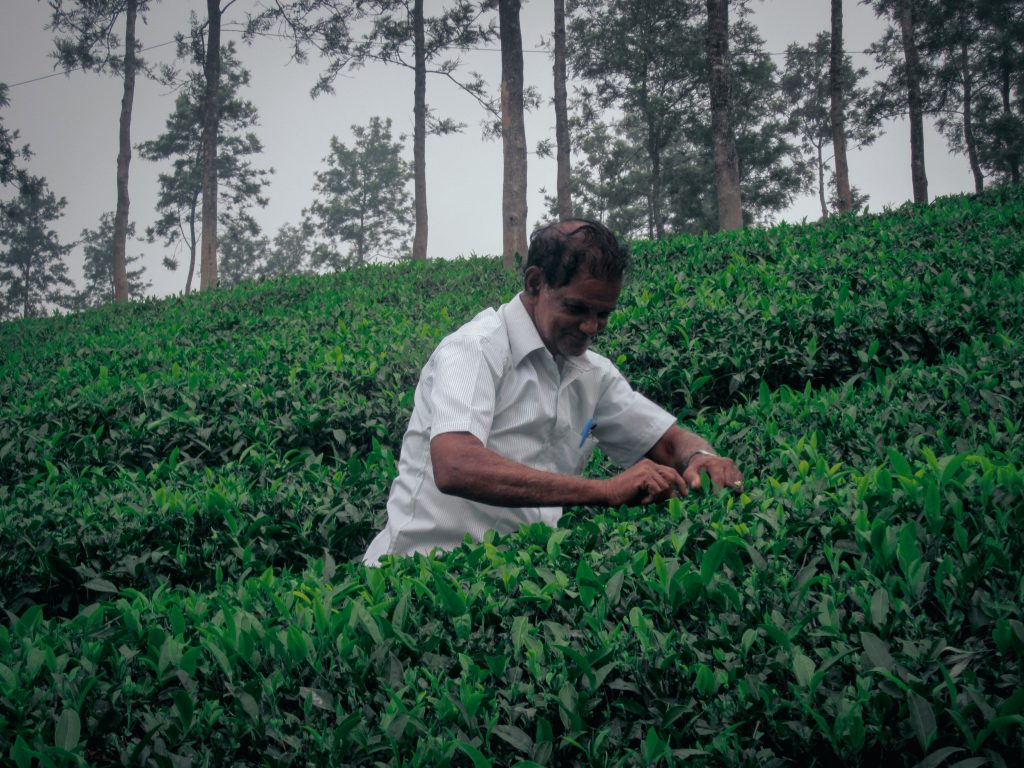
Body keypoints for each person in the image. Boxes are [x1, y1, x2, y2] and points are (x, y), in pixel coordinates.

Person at [362, 219, 742, 565]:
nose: (591, 327)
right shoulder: (475, 349)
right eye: (576, 308)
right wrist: (604, 490)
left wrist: (701, 456)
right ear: (534, 283)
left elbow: (669, 441)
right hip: (419, 575)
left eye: (604, 313)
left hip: (519, 578)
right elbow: (455, 464)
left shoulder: (593, 374)